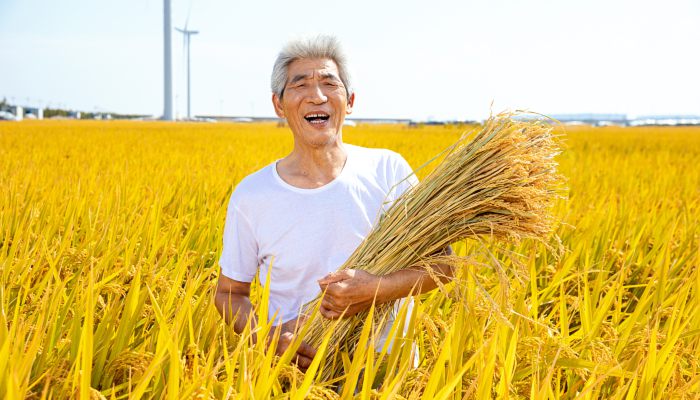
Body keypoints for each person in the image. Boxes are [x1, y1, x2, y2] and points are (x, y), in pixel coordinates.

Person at [214, 35, 453, 370]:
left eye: (329, 83)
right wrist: (264, 336)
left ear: (350, 100)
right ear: (278, 104)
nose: (317, 95)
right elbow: (228, 294)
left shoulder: (389, 171)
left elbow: (444, 266)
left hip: (387, 372)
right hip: (296, 376)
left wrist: (376, 289)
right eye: (300, 85)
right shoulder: (252, 195)